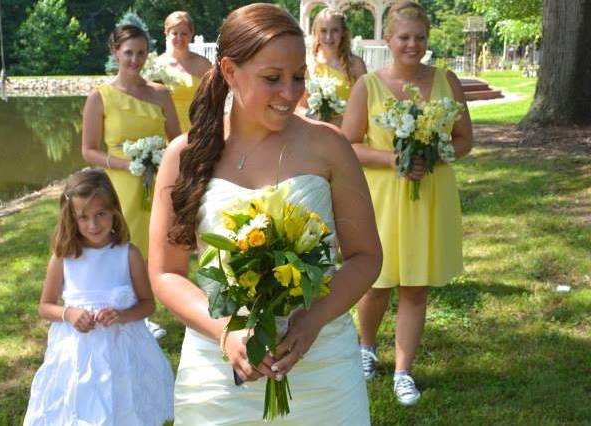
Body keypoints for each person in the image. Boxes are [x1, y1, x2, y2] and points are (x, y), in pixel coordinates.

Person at [148, 4, 382, 425]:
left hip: (323, 366)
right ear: (229, 71)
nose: (290, 93)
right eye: (272, 78)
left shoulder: (328, 146)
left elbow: (366, 256)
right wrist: (225, 330)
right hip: (218, 374)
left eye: (298, 77)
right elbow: (165, 272)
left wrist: (312, 321)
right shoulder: (184, 155)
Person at [341, 0, 473, 407]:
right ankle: (365, 350)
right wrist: (394, 159)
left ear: (427, 39)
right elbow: (348, 143)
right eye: (404, 37)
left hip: (430, 196)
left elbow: (465, 140)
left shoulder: (447, 80)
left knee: (416, 287)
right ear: (388, 39)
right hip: (383, 196)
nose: (412, 45)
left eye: (419, 38)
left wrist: (434, 153)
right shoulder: (370, 85)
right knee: (376, 282)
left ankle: (404, 371)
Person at [23, 169, 174, 425]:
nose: (93, 225)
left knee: (123, 406)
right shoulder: (64, 258)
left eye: (100, 214)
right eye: (83, 217)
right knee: (79, 408)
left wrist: (123, 314)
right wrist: (68, 314)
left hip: (122, 352)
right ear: (72, 217)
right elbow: (45, 306)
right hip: (77, 355)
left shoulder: (129, 254)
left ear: (114, 210)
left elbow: (148, 304)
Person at [82, 24, 180, 339]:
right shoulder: (100, 97)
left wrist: (165, 164)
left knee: (154, 246)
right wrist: (126, 164)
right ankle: (116, 309)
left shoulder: (161, 94)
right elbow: (89, 151)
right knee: (122, 246)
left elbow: (178, 141)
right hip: (119, 187)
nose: (135, 60)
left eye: (141, 53)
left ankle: (144, 308)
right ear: (115, 53)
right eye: (128, 53)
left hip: (158, 184)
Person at [301, 7, 367, 126]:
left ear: (343, 32)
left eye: (335, 30)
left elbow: (366, 106)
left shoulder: (356, 65)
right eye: (323, 30)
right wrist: (315, 116)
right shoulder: (309, 65)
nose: (328, 37)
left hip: (346, 132)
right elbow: (300, 107)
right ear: (316, 32)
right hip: (315, 132)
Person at [155, 11, 212, 133]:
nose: (179, 38)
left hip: (197, 129)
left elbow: (213, 100)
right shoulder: (157, 65)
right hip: (165, 131)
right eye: (174, 33)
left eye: (184, 33)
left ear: (191, 34)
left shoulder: (203, 64)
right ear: (166, 33)